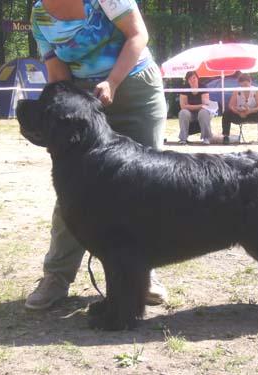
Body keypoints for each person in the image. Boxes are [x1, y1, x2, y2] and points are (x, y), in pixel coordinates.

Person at [25, 0, 168, 310]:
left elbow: (138, 35)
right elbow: (57, 74)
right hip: (84, 99)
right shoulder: (39, 14)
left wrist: (112, 81)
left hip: (135, 88)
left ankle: (143, 274)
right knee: (75, 189)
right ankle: (57, 276)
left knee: (145, 187)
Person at [221, 73, 258, 145]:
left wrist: (249, 111)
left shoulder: (256, 91)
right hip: (239, 114)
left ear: (250, 82)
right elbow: (231, 105)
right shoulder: (236, 91)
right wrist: (238, 112)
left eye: (247, 84)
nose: (245, 87)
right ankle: (226, 136)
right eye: (243, 85)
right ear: (240, 83)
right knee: (226, 113)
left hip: (252, 114)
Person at [177, 71, 213, 145]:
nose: (192, 80)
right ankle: (183, 139)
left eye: (194, 78)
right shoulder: (184, 88)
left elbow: (205, 105)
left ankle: (206, 138)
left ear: (197, 78)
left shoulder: (203, 87)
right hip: (189, 114)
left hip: (201, 113)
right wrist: (200, 106)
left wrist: (190, 106)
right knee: (183, 112)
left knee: (204, 112)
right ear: (187, 81)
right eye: (190, 79)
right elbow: (183, 106)